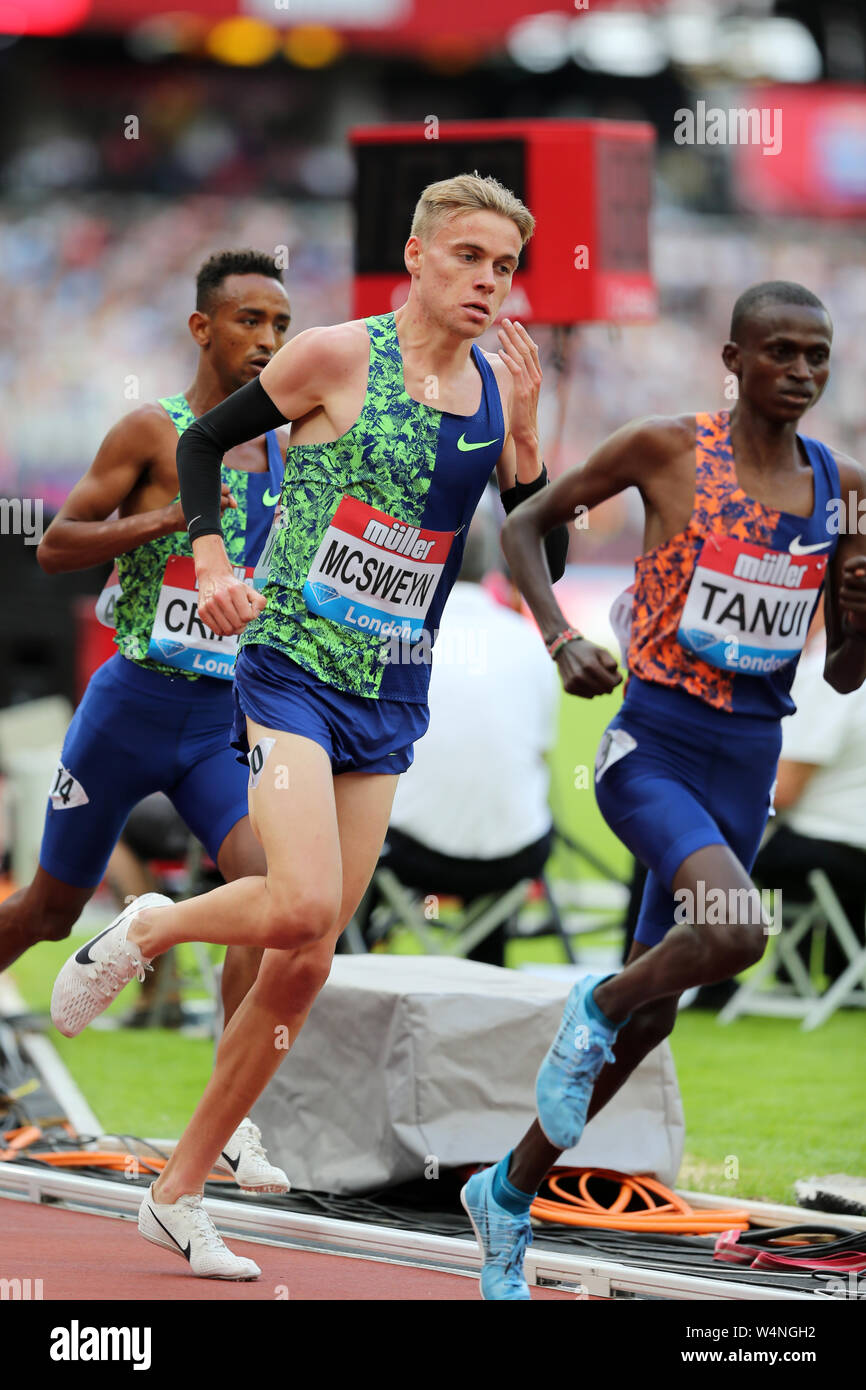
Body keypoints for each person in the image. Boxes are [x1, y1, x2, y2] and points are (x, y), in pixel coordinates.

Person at [50, 173, 570, 1280]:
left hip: (390, 691)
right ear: (418, 259)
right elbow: (201, 449)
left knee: (305, 958)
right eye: (469, 258)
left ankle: (178, 1192)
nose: (488, 282)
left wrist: (525, 441)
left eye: (505, 267)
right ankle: (146, 924)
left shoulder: (491, 392)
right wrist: (207, 557)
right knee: (299, 900)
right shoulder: (337, 356)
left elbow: (538, 558)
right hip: (287, 668)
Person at [458, 280, 866, 1299]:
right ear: (730, 359)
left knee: (655, 1021)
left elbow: (844, 675)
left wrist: (859, 606)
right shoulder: (663, 448)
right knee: (733, 932)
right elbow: (523, 528)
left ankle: (504, 1196)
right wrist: (559, 639)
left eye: (816, 356)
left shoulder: (845, 488)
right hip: (651, 748)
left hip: (746, 766)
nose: (801, 372)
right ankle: (589, 1001)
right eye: (778, 352)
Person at [2, 248, 293, 1195]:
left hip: (221, 718)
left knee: (268, 895)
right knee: (47, 908)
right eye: (251, 321)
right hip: (129, 706)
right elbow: (53, 547)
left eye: (282, 326)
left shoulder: (288, 447)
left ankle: (228, 1119)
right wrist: (164, 524)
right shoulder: (152, 430)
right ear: (204, 328)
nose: (270, 342)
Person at [378, 503, 560, 966]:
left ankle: (349, 965)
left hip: (409, 852)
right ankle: (486, 976)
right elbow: (540, 751)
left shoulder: (400, 637)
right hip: (516, 854)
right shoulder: (526, 638)